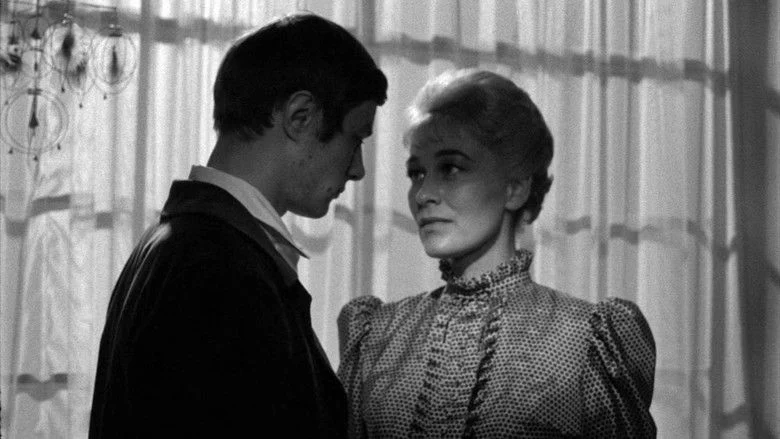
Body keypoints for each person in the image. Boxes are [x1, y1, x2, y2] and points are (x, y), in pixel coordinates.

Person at [89, 13, 387, 438]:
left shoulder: (178, 243)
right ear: (301, 116)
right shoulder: (219, 267)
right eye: (355, 138)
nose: (357, 169)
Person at [338, 69, 656, 438]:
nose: (423, 195)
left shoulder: (584, 340)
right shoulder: (378, 335)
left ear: (515, 189)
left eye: (451, 168)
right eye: (417, 173)